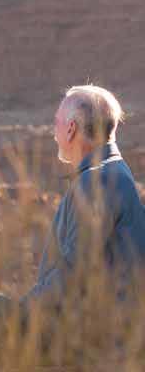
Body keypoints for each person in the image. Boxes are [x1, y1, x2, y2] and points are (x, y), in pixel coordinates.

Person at [23, 84, 145, 313]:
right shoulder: (113, 171)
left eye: (56, 123)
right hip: (96, 322)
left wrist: (25, 312)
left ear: (71, 129)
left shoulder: (98, 180)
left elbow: (74, 269)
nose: (54, 133)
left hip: (87, 329)